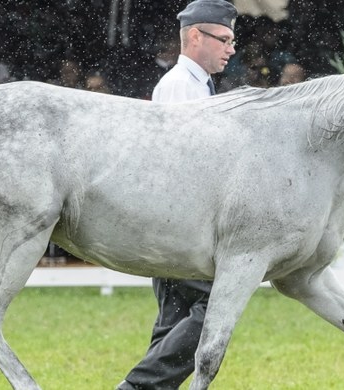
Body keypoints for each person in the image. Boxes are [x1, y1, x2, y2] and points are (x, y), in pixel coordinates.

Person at [118, 1, 237, 389]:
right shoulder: (179, 87)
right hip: (179, 231)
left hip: (179, 230)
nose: (231, 49)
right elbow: (183, 168)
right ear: (194, 37)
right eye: (224, 39)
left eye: (232, 40)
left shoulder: (197, 84)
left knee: (170, 329)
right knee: (215, 307)